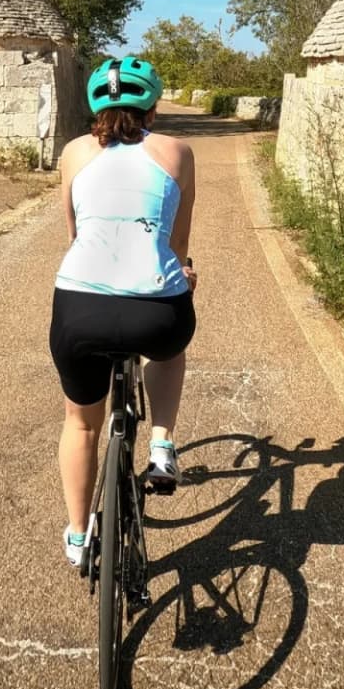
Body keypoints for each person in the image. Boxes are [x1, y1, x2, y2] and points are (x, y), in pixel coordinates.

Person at [51, 56, 197, 568]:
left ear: (95, 107)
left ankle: (76, 535)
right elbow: (178, 244)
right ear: (152, 109)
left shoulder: (73, 153)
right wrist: (184, 272)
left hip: (79, 308)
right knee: (170, 347)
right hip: (155, 311)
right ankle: (161, 445)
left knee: (81, 424)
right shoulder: (177, 152)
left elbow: (72, 236)